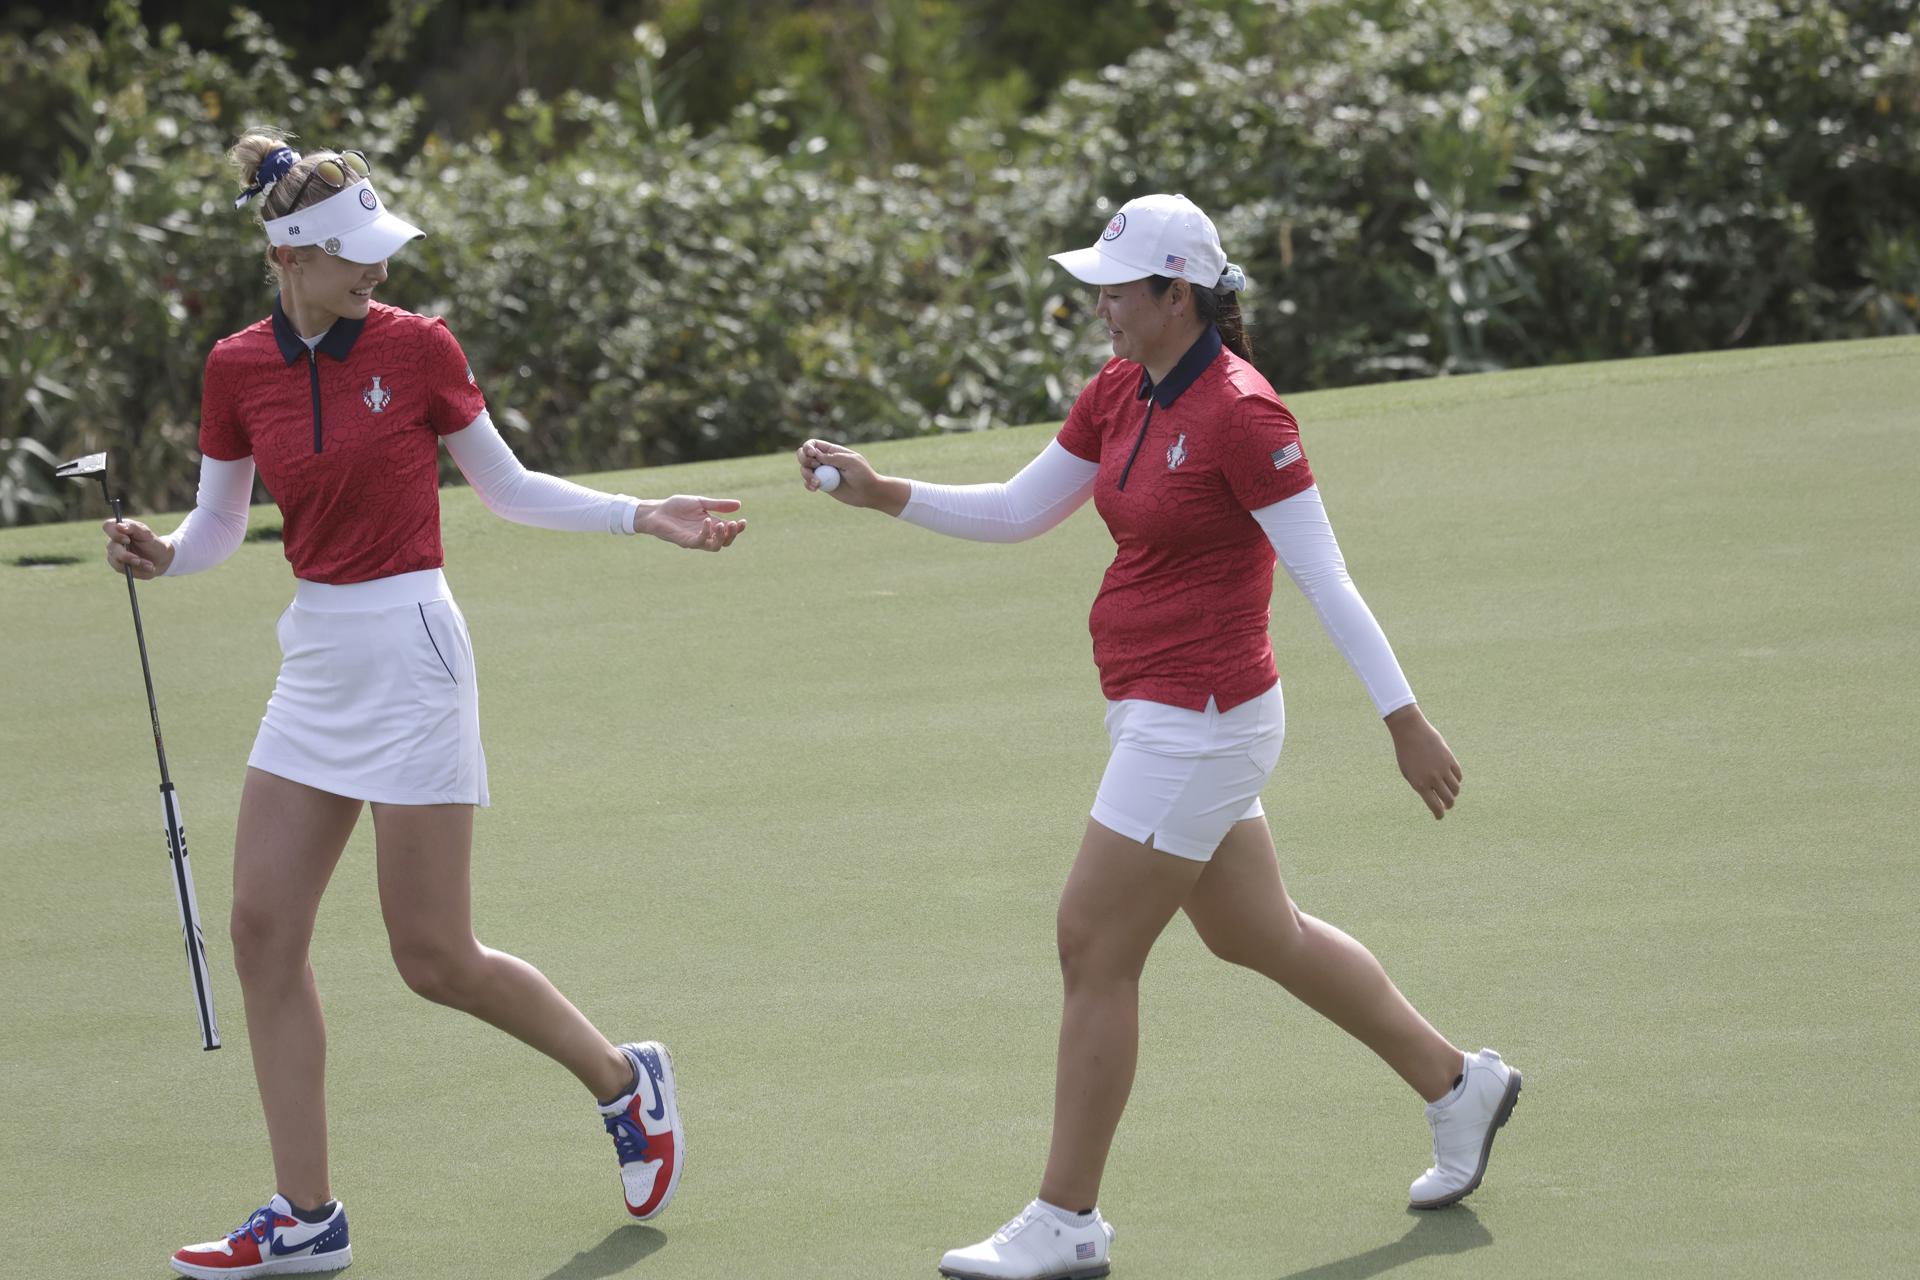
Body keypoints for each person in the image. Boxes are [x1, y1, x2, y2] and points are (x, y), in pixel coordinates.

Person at [797, 193, 1521, 1280]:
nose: (1101, 306)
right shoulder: (1120, 391)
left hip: (1207, 719)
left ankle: (1067, 1219)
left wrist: (1403, 718)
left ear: (1177, 294)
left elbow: (1327, 580)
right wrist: (881, 490)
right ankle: (1459, 1081)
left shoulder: (1246, 414)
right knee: (1256, 932)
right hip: (1154, 707)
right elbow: (1015, 508)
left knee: (1092, 940)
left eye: (1118, 288)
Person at [102, 130, 743, 1278]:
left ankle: (623, 1081)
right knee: (261, 931)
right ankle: (307, 1212)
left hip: (412, 653)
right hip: (316, 658)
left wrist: (641, 512)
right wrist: (161, 555)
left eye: (382, 254)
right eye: (356, 257)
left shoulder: (419, 348)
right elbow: (214, 526)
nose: (379, 274)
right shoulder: (235, 366)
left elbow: (508, 488)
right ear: (291, 255)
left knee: (432, 953)